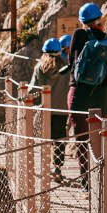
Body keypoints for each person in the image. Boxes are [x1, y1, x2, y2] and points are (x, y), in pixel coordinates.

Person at [66, 3, 107, 184]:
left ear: (82, 21)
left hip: (79, 93)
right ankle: (102, 178)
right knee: (100, 136)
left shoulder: (79, 35)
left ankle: (86, 180)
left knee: (81, 138)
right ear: (100, 19)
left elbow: (72, 61)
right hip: (101, 93)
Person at [28, 37, 70, 180]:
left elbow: (32, 89)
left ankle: (44, 167)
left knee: (45, 139)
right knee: (59, 139)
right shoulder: (66, 67)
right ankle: (57, 168)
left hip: (45, 109)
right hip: (62, 109)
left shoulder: (40, 68)